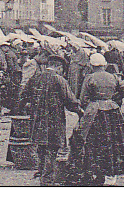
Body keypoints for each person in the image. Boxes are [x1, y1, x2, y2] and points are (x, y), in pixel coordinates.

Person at [68, 53, 124, 185]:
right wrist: (114, 99)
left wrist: (89, 106)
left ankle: (94, 171)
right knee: (113, 141)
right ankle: (111, 173)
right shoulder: (113, 76)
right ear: (104, 65)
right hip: (112, 111)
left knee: (93, 142)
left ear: (92, 65)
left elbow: (83, 98)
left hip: (94, 112)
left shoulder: (89, 77)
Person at [21, 54, 83, 186]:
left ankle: (42, 174)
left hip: (37, 120)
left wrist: (30, 106)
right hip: (54, 121)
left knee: (41, 148)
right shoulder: (59, 80)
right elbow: (70, 101)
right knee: (52, 149)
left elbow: (23, 96)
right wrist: (80, 112)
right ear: (59, 67)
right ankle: (47, 180)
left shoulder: (35, 78)